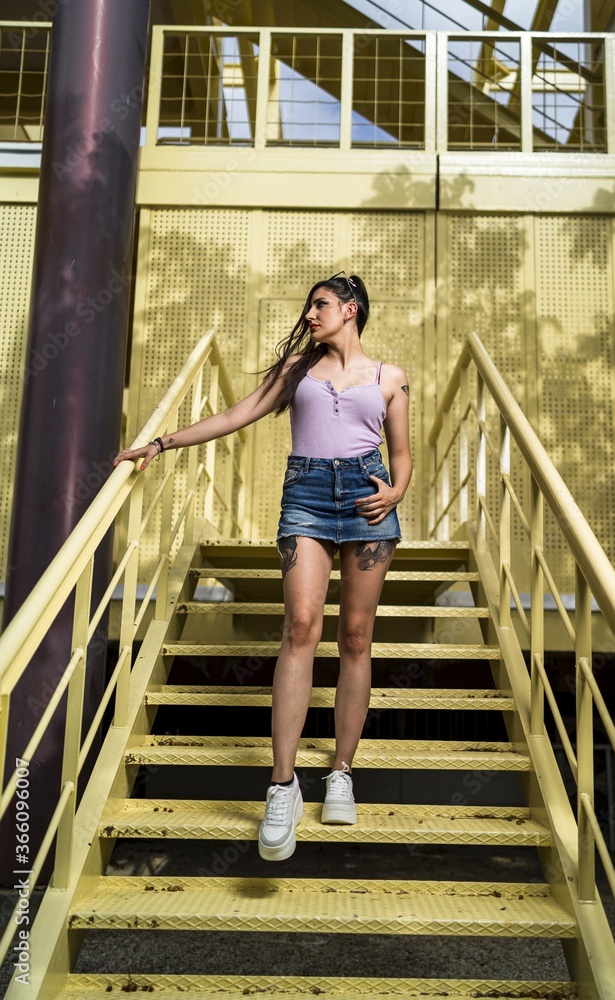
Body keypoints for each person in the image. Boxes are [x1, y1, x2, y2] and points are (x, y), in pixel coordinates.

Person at [113, 271, 412, 861]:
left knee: (356, 636)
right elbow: (235, 415)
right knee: (301, 626)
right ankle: (282, 784)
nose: (310, 314)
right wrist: (161, 443)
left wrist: (396, 493)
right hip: (304, 496)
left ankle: (342, 772)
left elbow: (401, 454)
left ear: (351, 310)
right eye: (308, 306)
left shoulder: (388, 378)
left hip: (367, 502)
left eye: (320, 305)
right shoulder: (296, 372)